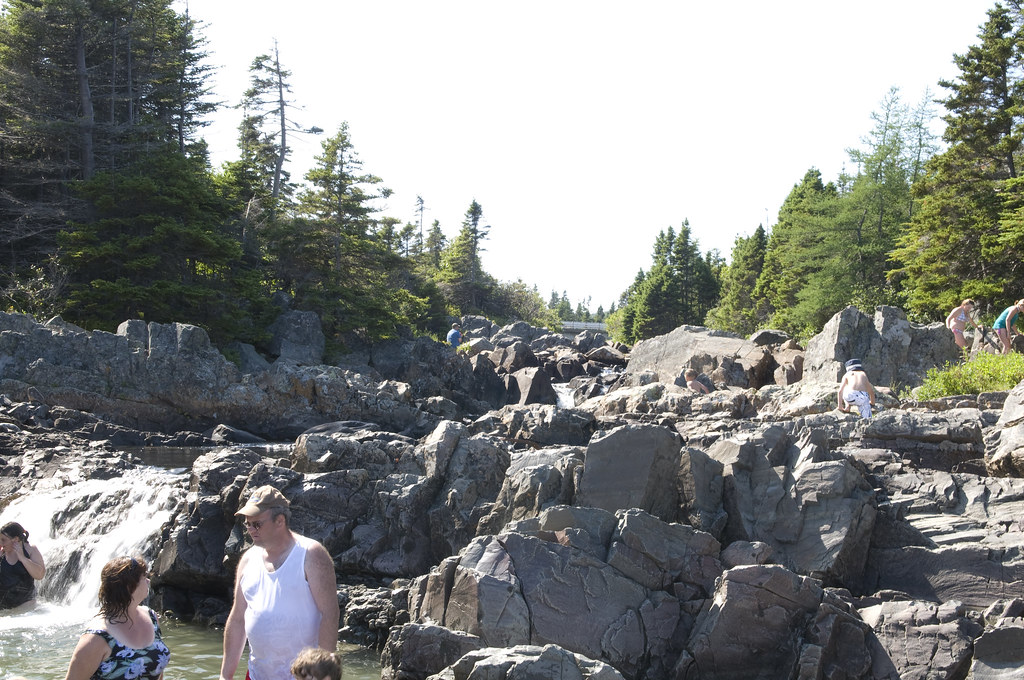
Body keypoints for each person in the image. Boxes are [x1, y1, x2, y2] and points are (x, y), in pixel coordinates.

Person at [220, 485, 341, 680]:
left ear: (280, 521)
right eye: (247, 524)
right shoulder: (248, 559)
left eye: (257, 524)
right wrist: (225, 676)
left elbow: (330, 614)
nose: (250, 529)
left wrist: (323, 674)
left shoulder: (311, 554)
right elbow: (238, 618)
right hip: (257, 674)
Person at [63, 556, 170, 680]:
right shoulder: (96, 638)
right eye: (144, 577)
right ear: (130, 586)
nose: (148, 581)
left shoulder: (152, 617)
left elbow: (157, 670)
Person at [0, 521, 46, 610]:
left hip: (25, 605)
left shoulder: (31, 550)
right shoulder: (2, 554)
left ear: (16, 539)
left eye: (3, 540)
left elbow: (40, 575)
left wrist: (23, 558)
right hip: (3, 606)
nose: (1, 543)